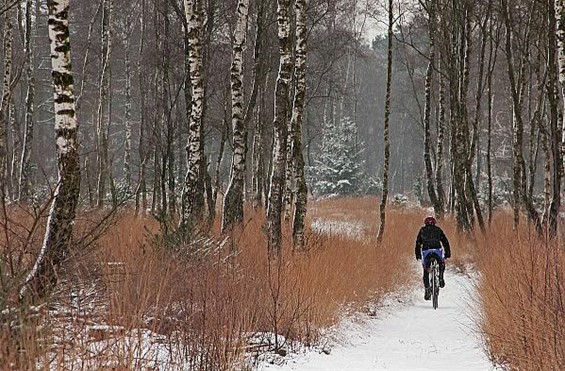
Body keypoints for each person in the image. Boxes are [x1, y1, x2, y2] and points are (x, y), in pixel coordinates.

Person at [415, 216, 451, 300]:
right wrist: (447, 253)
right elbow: (445, 241)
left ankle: (427, 289)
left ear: (425, 223)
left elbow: (418, 243)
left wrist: (418, 255)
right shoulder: (438, 230)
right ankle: (441, 277)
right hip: (436, 250)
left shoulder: (422, 230)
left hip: (426, 251)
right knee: (441, 263)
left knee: (426, 271)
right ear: (434, 223)